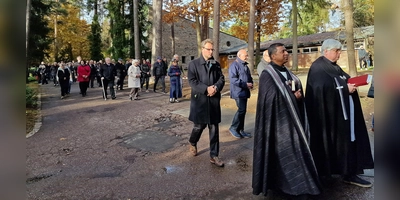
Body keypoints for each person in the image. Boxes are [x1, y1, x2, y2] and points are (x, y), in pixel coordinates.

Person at [252, 43, 321, 197]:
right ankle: (290, 188)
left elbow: (294, 89)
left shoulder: (287, 72)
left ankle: (300, 186)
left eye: (286, 51)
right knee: (287, 157)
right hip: (278, 126)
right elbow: (269, 99)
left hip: (294, 122)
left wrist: (297, 94)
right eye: (282, 51)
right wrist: (292, 96)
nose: (286, 53)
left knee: (297, 154)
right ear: (272, 56)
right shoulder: (267, 75)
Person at [305, 39, 374, 188]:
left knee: (348, 141)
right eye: (336, 51)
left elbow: (343, 79)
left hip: (342, 113)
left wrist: (355, 82)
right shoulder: (318, 68)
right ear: (326, 51)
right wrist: (344, 89)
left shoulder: (334, 67)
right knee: (331, 143)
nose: (339, 53)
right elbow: (320, 89)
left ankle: (349, 172)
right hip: (328, 117)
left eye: (339, 50)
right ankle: (330, 173)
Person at [187, 39, 225, 167]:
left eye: (212, 49)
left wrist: (215, 87)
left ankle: (214, 155)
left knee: (214, 128)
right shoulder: (194, 64)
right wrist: (205, 89)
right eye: (208, 49)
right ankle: (192, 141)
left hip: (213, 100)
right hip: (201, 101)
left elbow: (221, 78)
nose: (210, 51)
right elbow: (192, 81)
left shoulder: (216, 64)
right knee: (199, 126)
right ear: (202, 49)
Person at [228, 48, 253, 139]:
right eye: (245, 55)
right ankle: (233, 128)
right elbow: (233, 79)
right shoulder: (234, 65)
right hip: (238, 92)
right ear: (239, 56)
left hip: (244, 91)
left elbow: (249, 77)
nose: (247, 56)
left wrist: (251, 84)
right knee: (241, 110)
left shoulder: (245, 65)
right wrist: (245, 84)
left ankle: (241, 130)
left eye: (247, 55)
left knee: (243, 111)